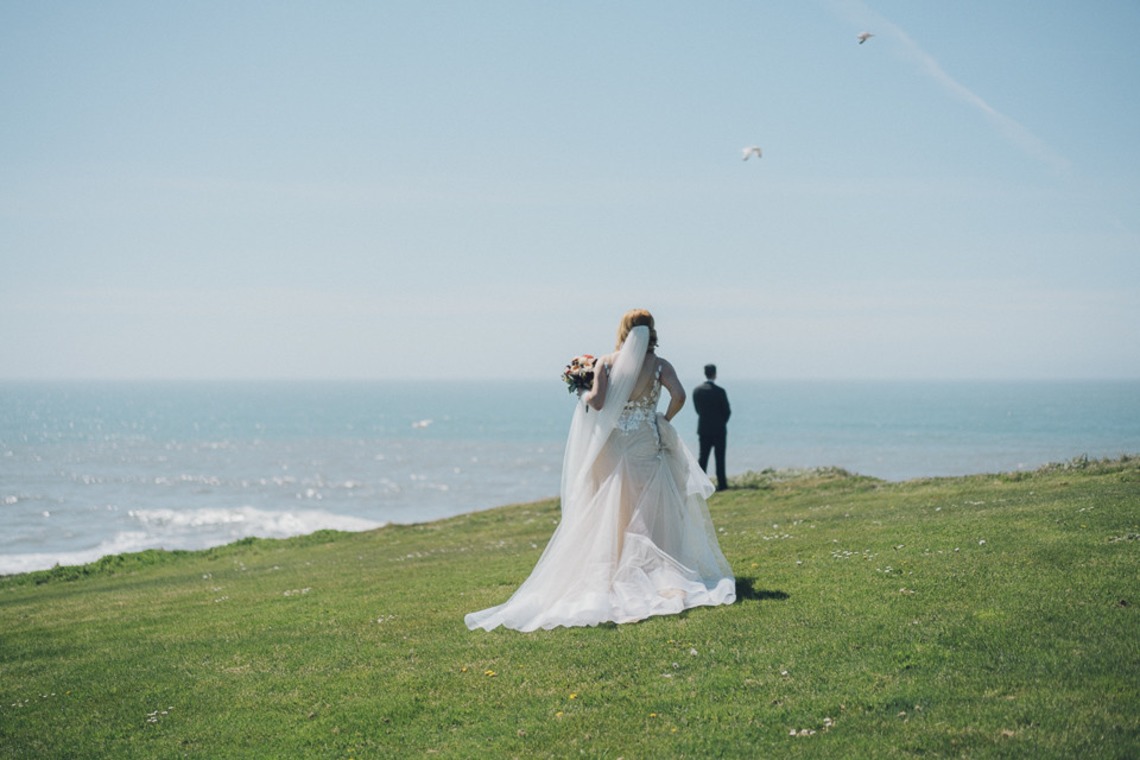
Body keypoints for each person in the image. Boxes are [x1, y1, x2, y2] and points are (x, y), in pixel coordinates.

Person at [465, 309, 736, 632]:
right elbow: (678, 396)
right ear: (651, 331)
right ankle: (656, 572)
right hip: (646, 443)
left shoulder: (607, 362)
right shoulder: (661, 365)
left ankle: (612, 571)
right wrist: (663, 418)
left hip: (613, 444)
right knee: (649, 508)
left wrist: (580, 388)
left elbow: (596, 402)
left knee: (611, 507)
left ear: (623, 329)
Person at [692, 364, 731, 491]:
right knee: (720, 458)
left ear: (705, 373)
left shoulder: (697, 391)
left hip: (704, 428)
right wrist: (721, 422)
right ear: (715, 374)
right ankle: (722, 484)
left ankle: (701, 484)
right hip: (719, 429)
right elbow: (727, 411)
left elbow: (698, 410)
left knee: (703, 458)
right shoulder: (720, 391)